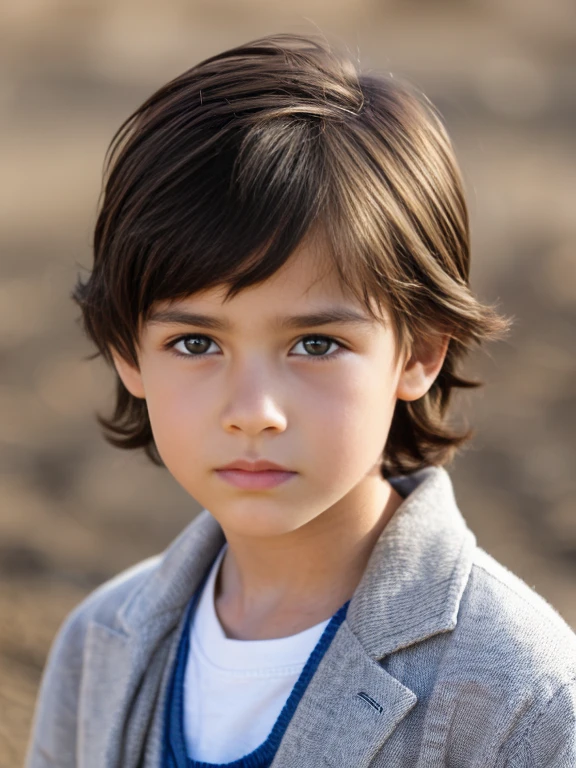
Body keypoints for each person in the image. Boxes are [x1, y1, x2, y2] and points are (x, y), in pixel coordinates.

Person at [26, 33, 576, 768]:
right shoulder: (99, 645)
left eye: (315, 344)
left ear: (419, 352)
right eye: (196, 344)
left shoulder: (523, 697)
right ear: (129, 353)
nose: (254, 410)